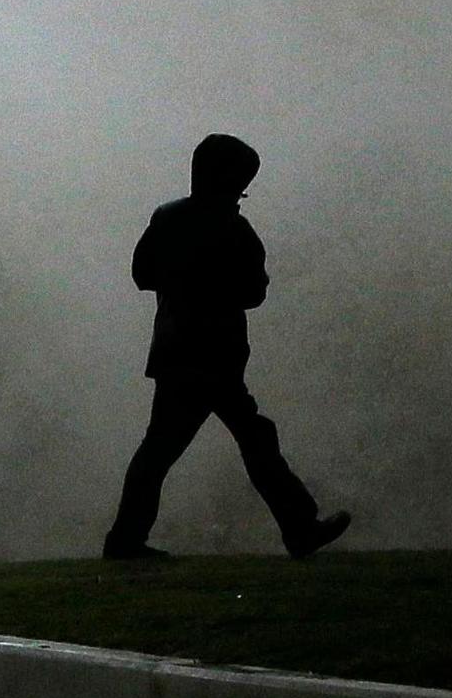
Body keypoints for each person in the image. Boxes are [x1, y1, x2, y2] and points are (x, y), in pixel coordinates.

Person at [102, 134, 350, 561]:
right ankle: (300, 527)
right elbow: (254, 292)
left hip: (177, 352)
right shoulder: (235, 230)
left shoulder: (167, 218)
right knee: (251, 440)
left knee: (163, 449)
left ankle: (125, 538)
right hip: (216, 354)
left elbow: (142, 274)